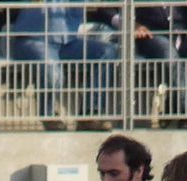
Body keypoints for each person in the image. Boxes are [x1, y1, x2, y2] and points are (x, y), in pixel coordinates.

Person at [7, 0, 118, 130]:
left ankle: (91, 115)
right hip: (34, 38)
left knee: (106, 52)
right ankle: (48, 115)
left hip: (67, 41)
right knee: (53, 71)